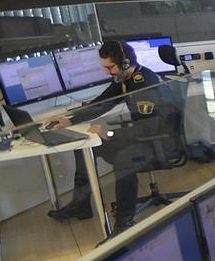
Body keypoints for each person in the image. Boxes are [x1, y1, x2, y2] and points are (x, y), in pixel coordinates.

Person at [46, 40, 172, 232]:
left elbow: (148, 129)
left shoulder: (144, 83)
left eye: (110, 67)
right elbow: (103, 103)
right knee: (84, 146)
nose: (107, 72)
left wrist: (108, 133)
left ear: (126, 63)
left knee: (124, 159)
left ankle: (124, 222)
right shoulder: (125, 79)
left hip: (158, 141)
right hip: (141, 134)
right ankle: (81, 205)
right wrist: (70, 119)